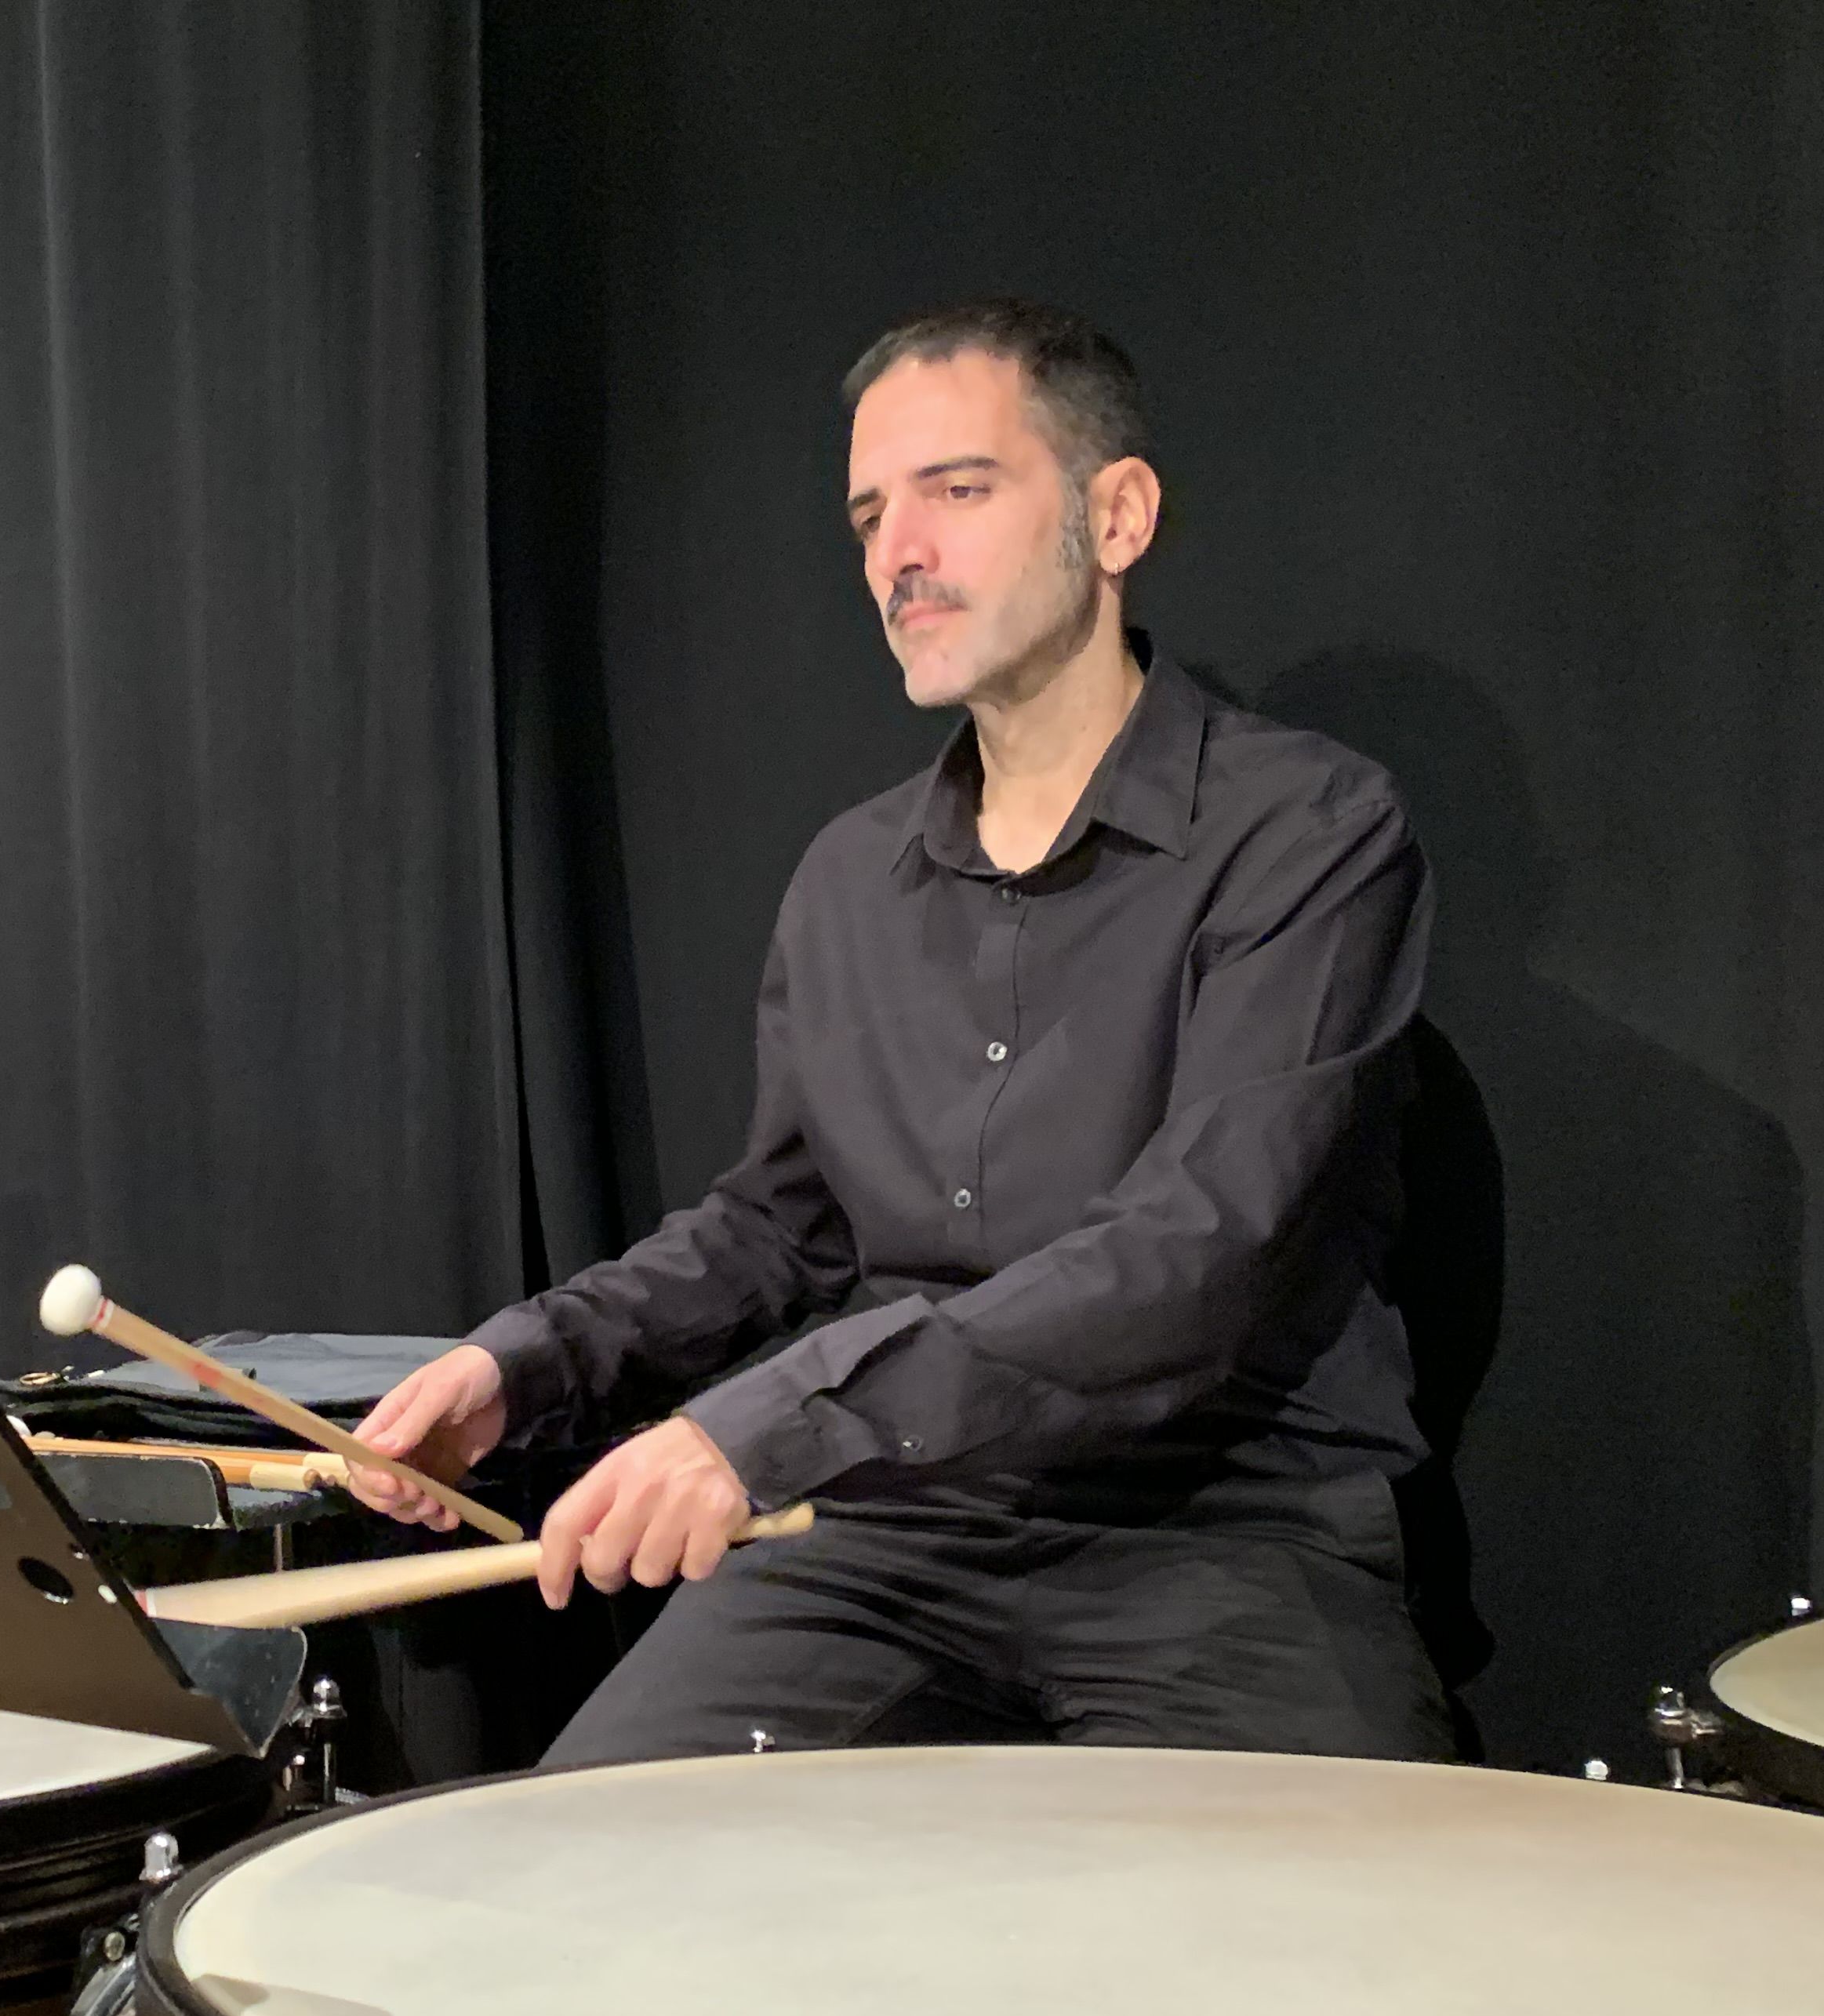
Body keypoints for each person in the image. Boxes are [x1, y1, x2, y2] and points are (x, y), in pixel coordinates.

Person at [354, 299, 1454, 1764]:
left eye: (957, 489)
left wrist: (773, 1427)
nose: (898, 555)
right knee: (575, 1875)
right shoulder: (847, 877)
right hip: (887, 1539)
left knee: (1329, 1970)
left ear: (1114, 516)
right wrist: (527, 1366)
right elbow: (779, 1232)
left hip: (1224, 1539)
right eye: (870, 513)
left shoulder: (1310, 832)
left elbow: (1198, 1255)